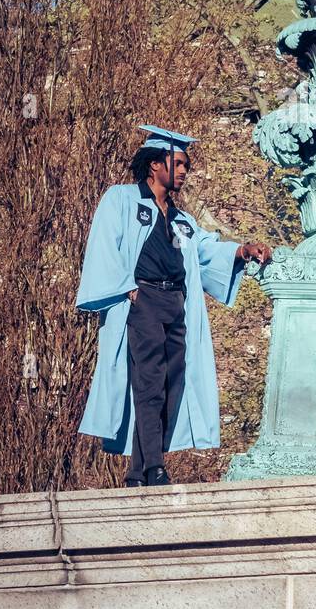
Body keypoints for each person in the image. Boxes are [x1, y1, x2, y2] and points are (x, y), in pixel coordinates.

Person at [76, 125, 272, 486]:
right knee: (148, 382)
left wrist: (242, 251)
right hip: (143, 300)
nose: (183, 171)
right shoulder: (121, 200)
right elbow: (105, 245)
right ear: (155, 165)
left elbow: (205, 251)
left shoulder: (183, 220)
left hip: (175, 306)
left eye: (186, 165)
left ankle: (136, 473)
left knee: (169, 385)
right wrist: (129, 291)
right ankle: (155, 467)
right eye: (177, 163)